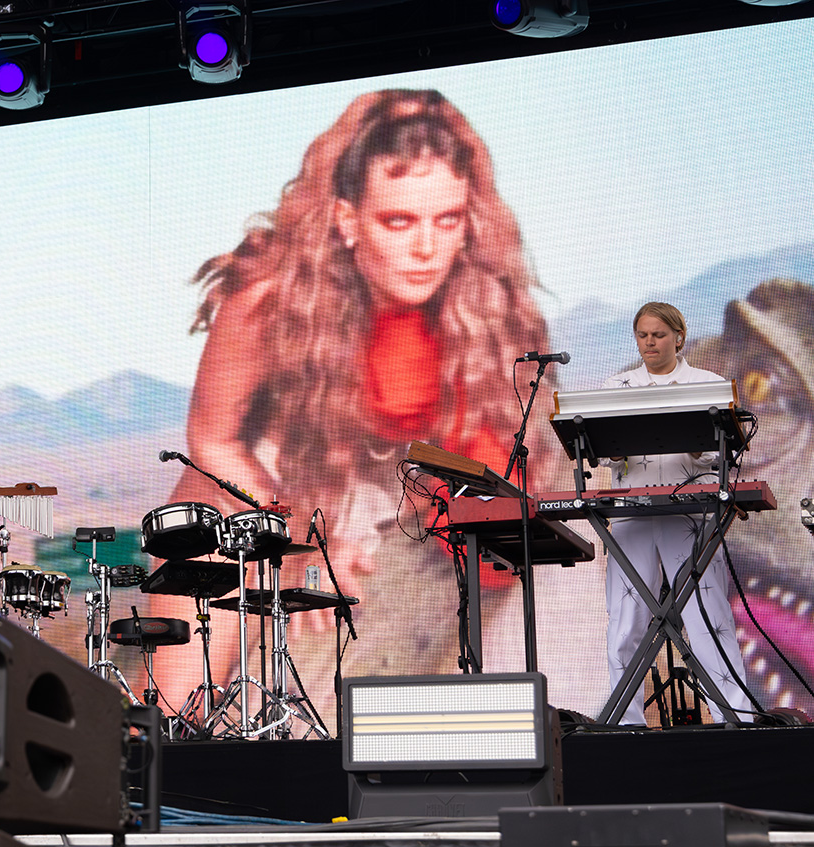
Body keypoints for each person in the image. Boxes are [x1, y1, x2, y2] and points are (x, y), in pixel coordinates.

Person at [154, 89, 554, 707]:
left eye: (446, 220)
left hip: (405, 487)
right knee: (180, 682)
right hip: (277, 483)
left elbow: (516, 442)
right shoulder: (268, 299)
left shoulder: (485, 300)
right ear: (346, 219)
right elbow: (211, 441)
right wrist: (300, 536)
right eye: (398, 221)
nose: (427, 248)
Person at [600, 301, 753, 725]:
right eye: (643, 335)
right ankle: (623, 722)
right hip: (633, 512)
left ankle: (735, 716)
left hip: (691, 513)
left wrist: (697, 441)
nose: (650, 342)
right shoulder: (618, 386)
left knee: (706, 613)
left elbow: (724, 451)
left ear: (678, 337)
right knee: (627, 618)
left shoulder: (707, 384)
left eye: (659, 335)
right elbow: (606, 454)